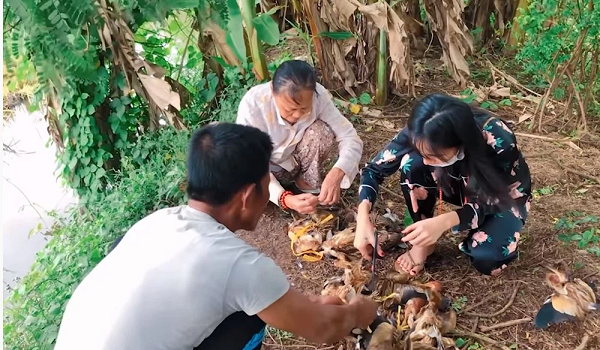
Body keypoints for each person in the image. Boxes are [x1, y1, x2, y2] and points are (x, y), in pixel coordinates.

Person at [54, 123, 378, 350]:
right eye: (268, 185)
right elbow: (322, 329)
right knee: (248, 320)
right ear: (248, 195)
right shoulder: (241, 265)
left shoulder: (156, 222)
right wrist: (359, 313)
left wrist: (303, 305)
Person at [353, 94, 532, 277]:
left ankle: (471, 231)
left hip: (502, 194)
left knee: (488, 259)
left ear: (459, 142)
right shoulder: (421, 130)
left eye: (434, 155)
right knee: (412, 163)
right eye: (422, 152)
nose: (426, 161)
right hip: (454, 181)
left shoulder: (498, 139)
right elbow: (373, 170)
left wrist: (446, 221)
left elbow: (497, 198)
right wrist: (363, 215)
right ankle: (423, 241)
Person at [236, 60, 363, 215]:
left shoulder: (319, 96)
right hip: (264, 169)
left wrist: (338, 172)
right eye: (290, 109)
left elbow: (350, 137)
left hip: (295, 163)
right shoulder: (253, 106)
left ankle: (305, 185)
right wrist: (284, 198)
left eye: (304, 108)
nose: (297, 115)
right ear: (272, 90)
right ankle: (278, 195)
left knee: (320, 132)